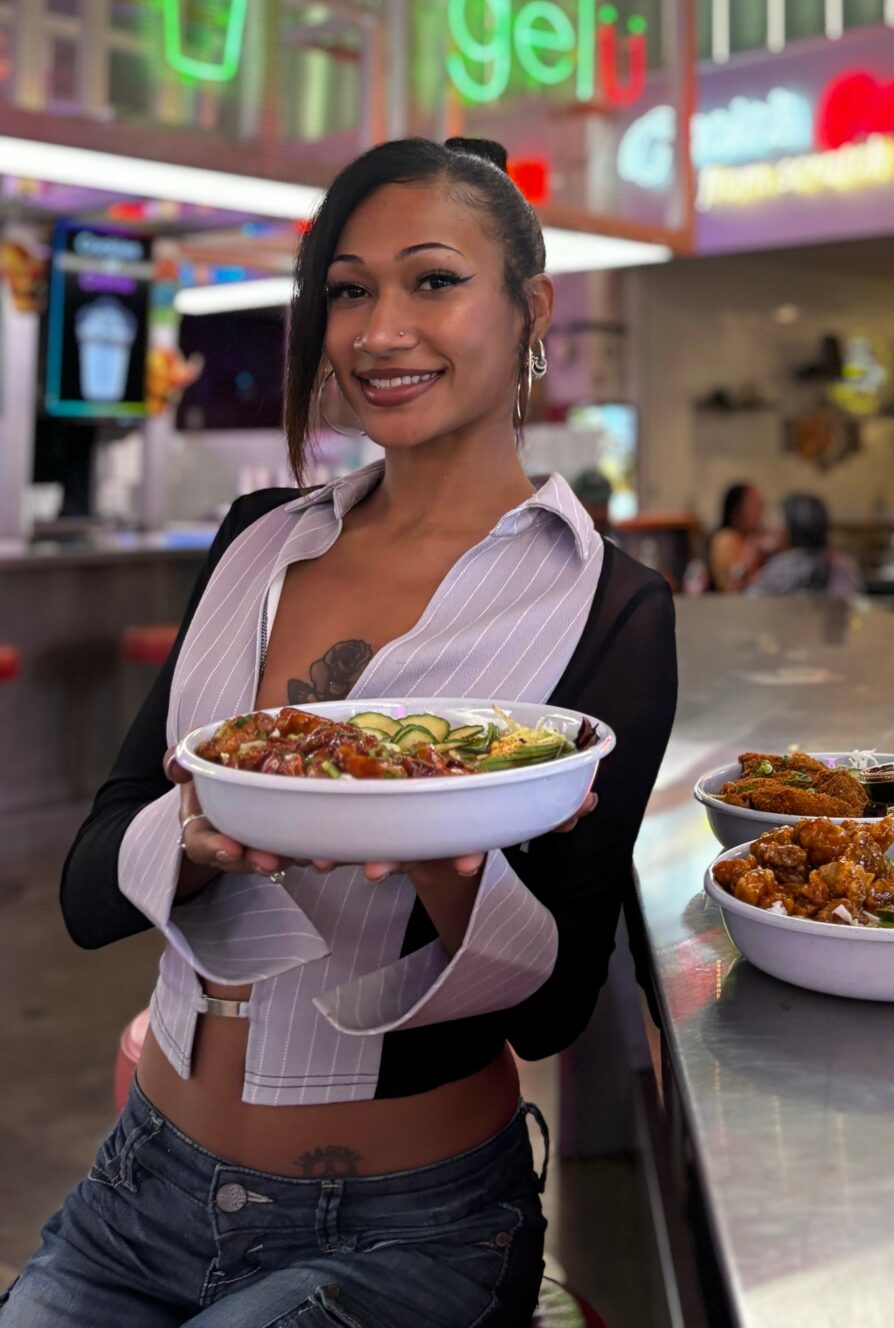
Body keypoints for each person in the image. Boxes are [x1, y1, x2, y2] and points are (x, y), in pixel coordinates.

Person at [7, 136, 676, 1328]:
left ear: (530, 309)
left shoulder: (607, 604)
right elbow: (86, 889)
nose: (378, 331)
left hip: (402, 1231)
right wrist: (201, 823)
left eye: (432, 280)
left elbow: (554, 1008)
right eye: (349, 288)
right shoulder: (258, 537)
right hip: (137, 1191)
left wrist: (448, 850)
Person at [750, 493, 862, 598]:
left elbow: (751, 600)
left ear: (787, 529)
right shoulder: (843, 565)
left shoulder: (780, 568)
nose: (773, 528)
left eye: (778, 522)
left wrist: (752, 559)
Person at [707, 481, 765, 593]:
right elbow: (730, 588)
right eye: (755, 504)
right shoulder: (726, 539)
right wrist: (751, 553)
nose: (760, 510)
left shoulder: (753, 538)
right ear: (737, 510)